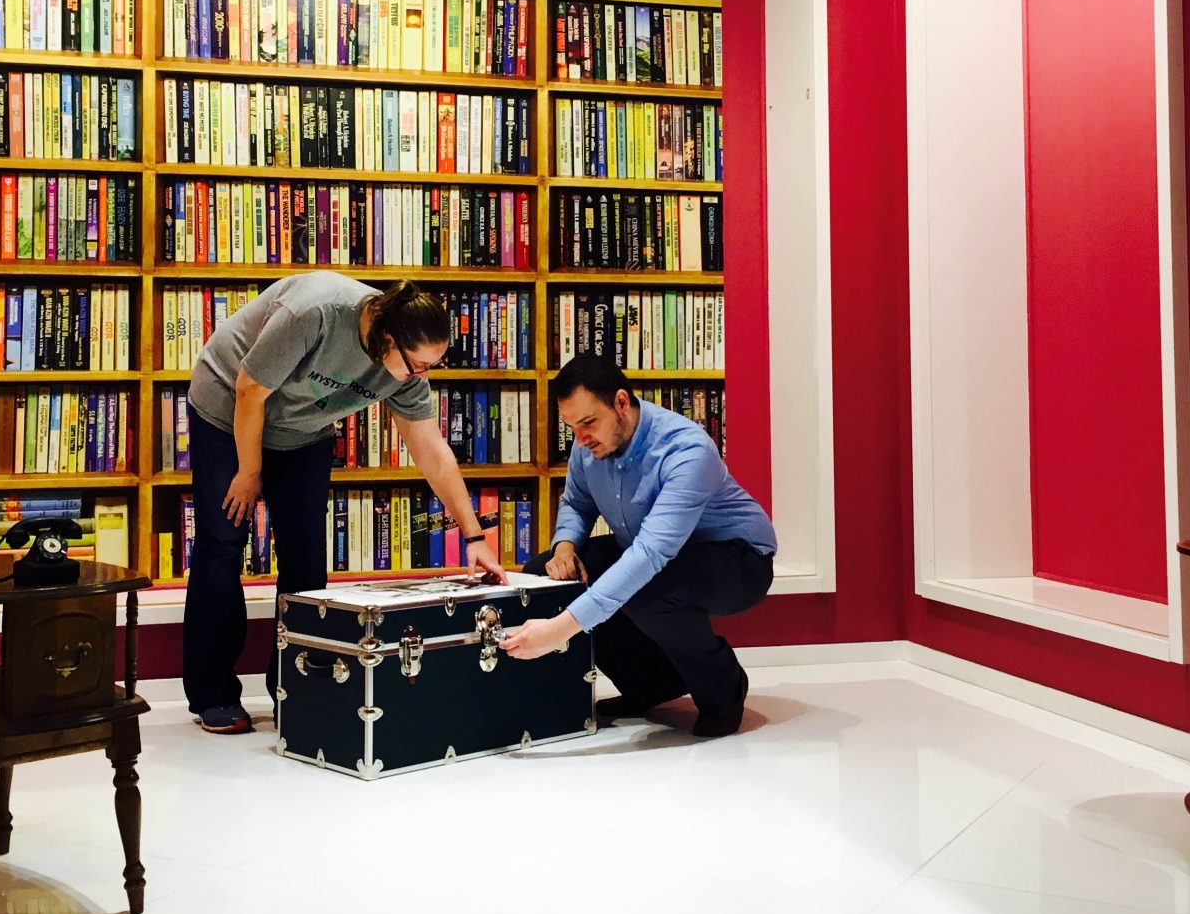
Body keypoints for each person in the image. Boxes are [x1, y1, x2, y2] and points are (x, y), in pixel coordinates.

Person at [183, 273, 505, 733]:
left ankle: (295, 691)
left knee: (306, 559)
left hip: (302, 432)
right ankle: (213, 694)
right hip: (228, 407)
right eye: (417, 364)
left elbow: (431, 450)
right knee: (222, 543)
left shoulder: (406, 370)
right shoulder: (315, 312)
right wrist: (249, 471)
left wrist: (474, 536)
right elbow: (250, 388)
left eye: (431, 366)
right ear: (387, 337)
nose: (421, 376)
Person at [503, 354, 775, 738]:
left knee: (649, 592)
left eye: (588, 423)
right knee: (544, 575)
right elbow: (577, 503)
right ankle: (652, 684)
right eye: (571, 427)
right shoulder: (588, 446)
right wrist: (564, 546)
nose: (580, 439)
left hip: (739, 557)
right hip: (655, 551)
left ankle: (723, 693)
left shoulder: (687, 450)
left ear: (620, 403)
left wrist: (559, 630)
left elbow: (649, 555)